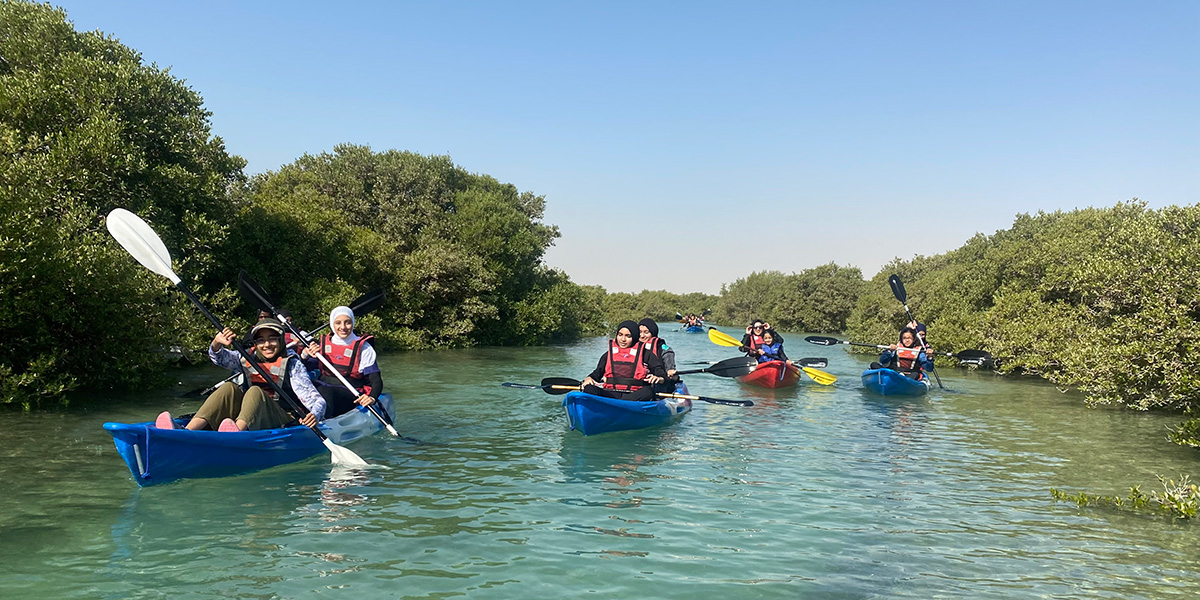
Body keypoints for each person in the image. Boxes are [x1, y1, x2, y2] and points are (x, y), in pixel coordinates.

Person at [156, 318, 324, 431]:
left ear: (281, 341)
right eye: (261, 340)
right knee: (229, 387)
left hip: (281, 418)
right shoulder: (247, 356)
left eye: (272, 339)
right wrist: (216, 343)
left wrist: (313, 415)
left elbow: (317, 401)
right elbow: (219, 357)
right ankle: (187, 432)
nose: (267, 344)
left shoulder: (292, 364)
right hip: (253, 416)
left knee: (254, 392)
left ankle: (235, 434)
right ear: (255, 343)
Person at [303, 305, 382, 418]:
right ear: (332, 324)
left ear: (353, 323)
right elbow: (302, 369)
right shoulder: (322, 345)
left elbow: (375, 379)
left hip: (350, 393)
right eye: (338, 323)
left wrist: (372, 397)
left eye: (347, 322)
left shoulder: (364, 347)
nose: (343, 327)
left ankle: (318, 421)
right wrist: (304, 355)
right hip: (322, 386)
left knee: (325, 392)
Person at [581, 320, 669, 402]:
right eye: (620, 335)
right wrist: (589, 378)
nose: (623, 339)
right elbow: (596, 374)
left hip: (634, 395)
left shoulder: (646, 354)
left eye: (628, 336)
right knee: (589, 388)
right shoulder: (608, 354)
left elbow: (662, 376)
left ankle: (618, 405)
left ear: (634, 337)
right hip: (610, 393)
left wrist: (659, 378)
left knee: (648, 391)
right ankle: (612, 405)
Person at [638, 318, 678, 391]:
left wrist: (669, 373)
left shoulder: (665, 350)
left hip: (660, 383)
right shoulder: (633, 347)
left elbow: (670, 372)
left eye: (646, 332)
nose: (642, 336)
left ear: (653, 333)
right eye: (640, 332)